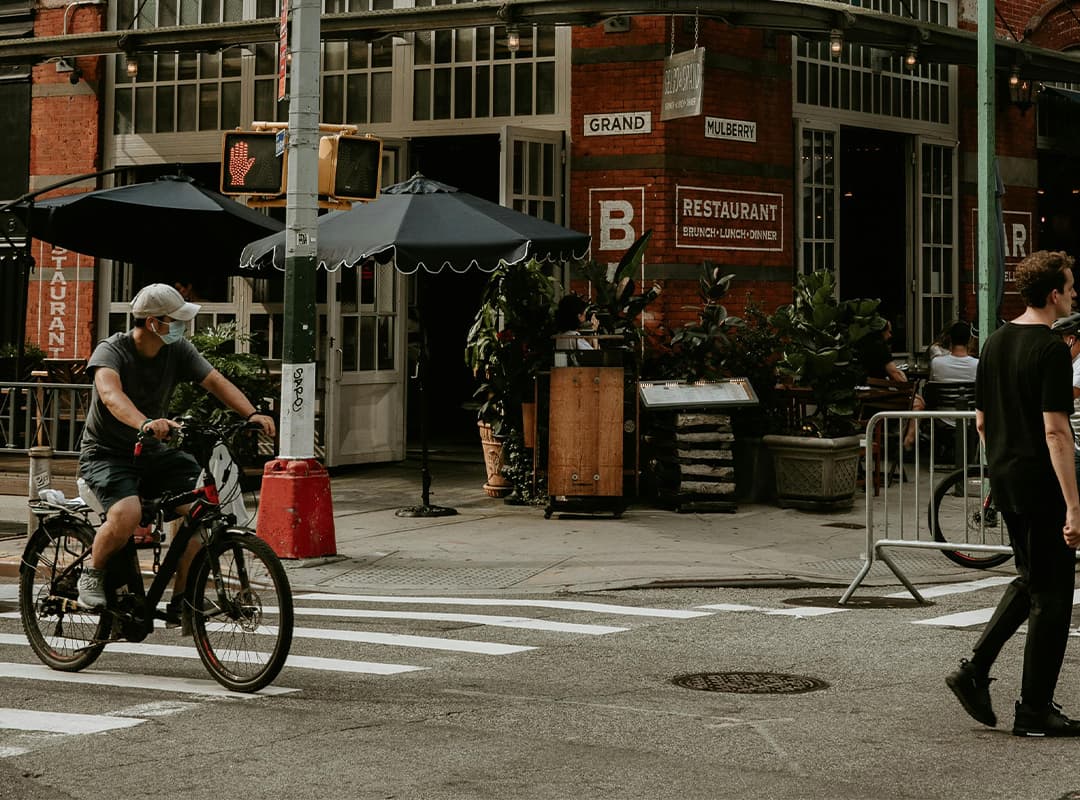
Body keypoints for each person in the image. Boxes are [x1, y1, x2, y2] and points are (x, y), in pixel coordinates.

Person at [76, 283, 276, 630]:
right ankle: (91, 574)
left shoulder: (177, 349)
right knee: (127, 513)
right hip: (106, 455)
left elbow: (215, 381)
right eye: (177, 319)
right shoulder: (112, 351)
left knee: (205, 511)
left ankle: (184, 600)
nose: (184, 326)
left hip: (152, 453)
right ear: (154, 323)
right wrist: (146, 423)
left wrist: (251, 414)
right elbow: (110, 394)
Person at [946, 250, 1080, 737]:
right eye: (1070, 287)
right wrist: (1074, 504)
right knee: (1054, 596)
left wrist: (1002, 465)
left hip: (1006, 480)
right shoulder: (1050, 350)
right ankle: (1034, 708)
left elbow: (982, 422)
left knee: (1031, 581)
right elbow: (1056, 433)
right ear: (1053, 294)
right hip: (1043, 484)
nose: (1073, 295)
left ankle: (974, 670)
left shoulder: (996, 343)